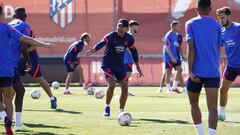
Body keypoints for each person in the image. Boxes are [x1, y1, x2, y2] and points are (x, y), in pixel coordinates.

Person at [0, 5, 54, 135]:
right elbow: (25, 39)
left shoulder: (10, 25)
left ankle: (5, 118)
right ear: (1, 13)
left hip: (9, 66)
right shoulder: (7, 28)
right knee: (9, 96)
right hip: (7, 67)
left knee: (4, 98)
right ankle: (12, 125)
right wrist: (44, 44)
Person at [86, 18, 143, 117]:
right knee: (112, 84)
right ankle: (107, 106)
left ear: (126, 28)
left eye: (121, 26)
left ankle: (121, 110)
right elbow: (102, 43)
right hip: (108, 63)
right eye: (118, 26)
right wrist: (94, 49)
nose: (119, 28)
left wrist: (138, 66)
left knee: (125, 86)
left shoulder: (129, 38)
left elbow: (134, 51)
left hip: (119, 65)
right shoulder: (111, 36)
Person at [185, 0, 222, 135]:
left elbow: (191, 47)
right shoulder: (217, 25)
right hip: (213, 71)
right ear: (210, 9)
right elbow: (219, 48)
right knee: (213, 107)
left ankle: (200, 134)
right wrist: (214, 64)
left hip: (196, 72)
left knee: (194, 103)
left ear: (197, 8)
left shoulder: (190, 23)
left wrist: (189, 70)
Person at [216, 7, 240, 121]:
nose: (221, 20)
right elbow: (218, 46)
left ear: (228, 16)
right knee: (223, 89)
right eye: (219, 18)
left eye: (222, 17)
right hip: (231, 66)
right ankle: (222, 114)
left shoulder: (238, 28)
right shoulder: (221, 31)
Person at [161, 21, 183, 94]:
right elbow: (167, 47)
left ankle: (174, 87)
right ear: (173, 26)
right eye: (178, 26)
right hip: (169, 57)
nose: (179, 27)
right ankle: (168, 89)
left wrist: (182, 55)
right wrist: (172, 57)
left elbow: (179, 46)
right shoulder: (168, 35)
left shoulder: (178, 36)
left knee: (179, 70)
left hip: (176, 57)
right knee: (168, 72)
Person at [124, 20, 139, 96]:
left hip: (128, 59)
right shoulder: (129, 35)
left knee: (127, 75)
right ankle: (124, 92)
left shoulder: (130, 35)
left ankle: (125, 91)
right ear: (132, 27)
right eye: (137, 26)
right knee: (127, 75)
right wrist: (133, 54)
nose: (138, 28)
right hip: (126, 59)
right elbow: (126, 47)